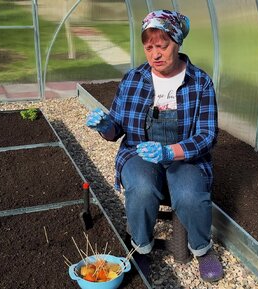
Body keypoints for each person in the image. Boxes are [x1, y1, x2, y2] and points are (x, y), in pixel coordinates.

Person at [85, 9, 223, 282]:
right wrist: (105, 127)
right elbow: (117, 129)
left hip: (185, 157)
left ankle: (202, 249)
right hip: (139, 152)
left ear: (178, 42)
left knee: (190, 195)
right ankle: (141, 248)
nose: (155, 54)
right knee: (142, 187)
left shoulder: (200, 82)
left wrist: (170, 151)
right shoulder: (133, 79)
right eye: (149, 47)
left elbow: (207, 135)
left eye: (162, 46)